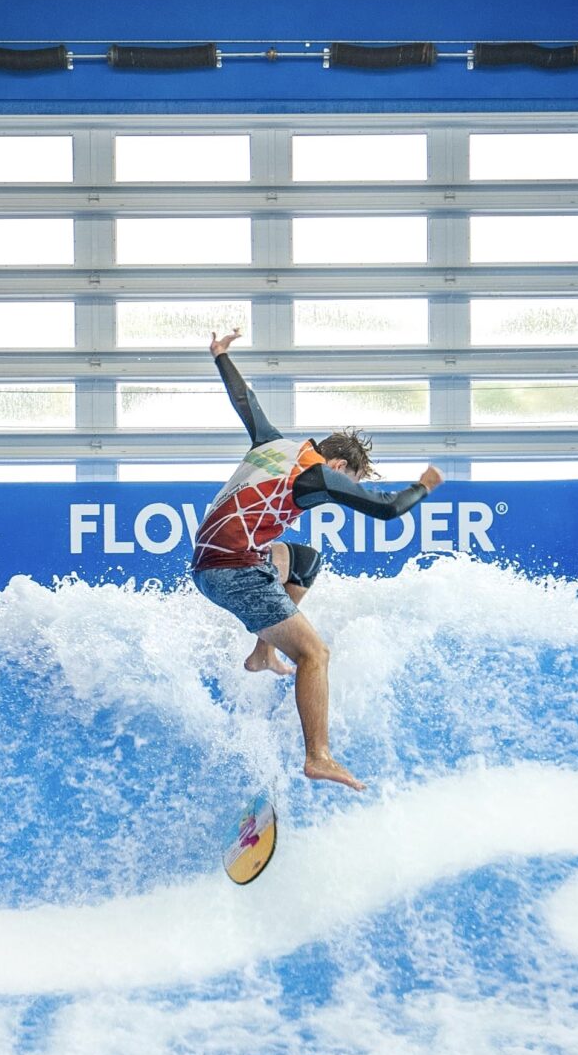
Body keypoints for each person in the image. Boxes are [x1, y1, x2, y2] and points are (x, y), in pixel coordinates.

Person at [189, 328, 441, 792]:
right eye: (348, 480)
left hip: (208, 562)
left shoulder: (272, 443)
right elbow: (386, 508)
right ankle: (318, 756)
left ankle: (262, 652)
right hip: (234, 570)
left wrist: (220, 355)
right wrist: (424, 485)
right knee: (314, 654)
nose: (338, 489)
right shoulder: (319, 474)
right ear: (340, 467)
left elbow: (245, 400)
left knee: (302, 559)